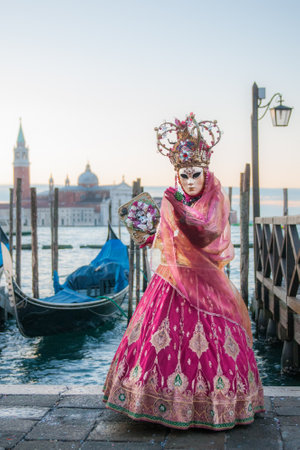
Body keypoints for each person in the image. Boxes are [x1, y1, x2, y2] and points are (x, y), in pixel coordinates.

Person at [102, 113, 264, 430]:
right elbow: (165, 237)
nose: (190, 182)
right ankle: (153, 402)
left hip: (206, 283)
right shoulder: (171, 198)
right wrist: (147, 229)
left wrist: (177, 207)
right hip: (171, 279)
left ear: (206, 173)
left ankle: (218, 405)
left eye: (195, 175)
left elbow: (205, 231)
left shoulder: (215, 200)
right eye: (183, 175)